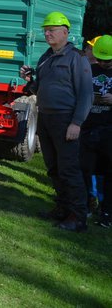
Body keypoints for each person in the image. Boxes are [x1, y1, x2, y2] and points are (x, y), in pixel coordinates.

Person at [20, 12, 93, 232]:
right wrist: (29, 81)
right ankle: (62, 208)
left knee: (69, 169)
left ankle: (78, 216)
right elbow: (38, 89)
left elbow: (86, 94)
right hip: (46, 117)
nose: (47, 33)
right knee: (53, 168)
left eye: (52, 30)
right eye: (45, 30)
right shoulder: (46, 57)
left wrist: (77, 123)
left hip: (65, 120)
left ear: (65, 32)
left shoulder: (77, 58)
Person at [80, 34, 112, 227]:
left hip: (110, 131)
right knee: (84, 170)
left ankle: (107, 213)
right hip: (89, 128)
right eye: (100, 59)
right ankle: (84, 207)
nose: (103, 63)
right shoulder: (89, 70)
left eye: (107, 61)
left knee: (109, 174)